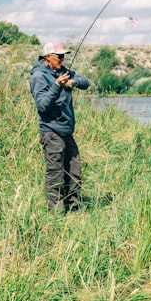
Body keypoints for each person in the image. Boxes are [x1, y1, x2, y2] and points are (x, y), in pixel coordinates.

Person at [30, 41, 91, 212]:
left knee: (74, 172)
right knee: (55, 173)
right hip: (51, 131)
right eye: (59, 56)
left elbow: (85, 82)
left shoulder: (64, 72)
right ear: (48, 57)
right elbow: (42, 105)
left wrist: (73, 82)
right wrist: (57, 86)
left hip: (67, 131)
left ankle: (74, 209)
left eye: (64, 56)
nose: (63, 59)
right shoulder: (39, 76)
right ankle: (55, 213)